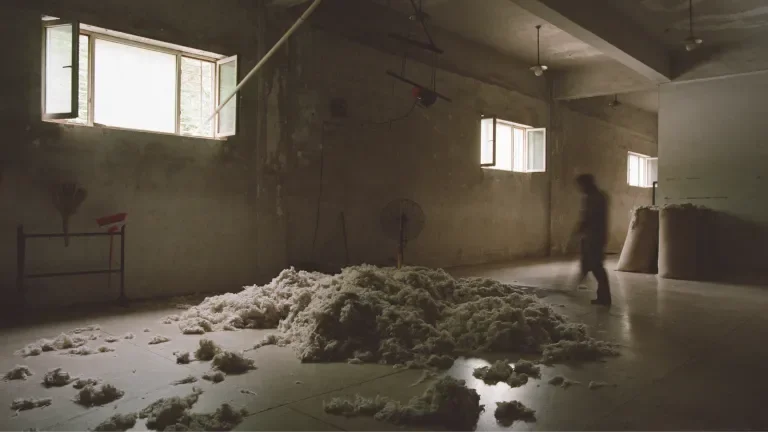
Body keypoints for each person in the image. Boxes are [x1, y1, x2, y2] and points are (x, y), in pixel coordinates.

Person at [573, 174, 611, 305]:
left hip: (595, 237)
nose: (580, 188)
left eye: (580, 185)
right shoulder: (596, 196)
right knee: (590, 264)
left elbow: (589, 217)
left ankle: (604, 297)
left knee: (596, 266)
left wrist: (579, 229)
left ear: (586, 184)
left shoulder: (595, 198)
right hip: (592, 236)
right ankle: (602, 296)